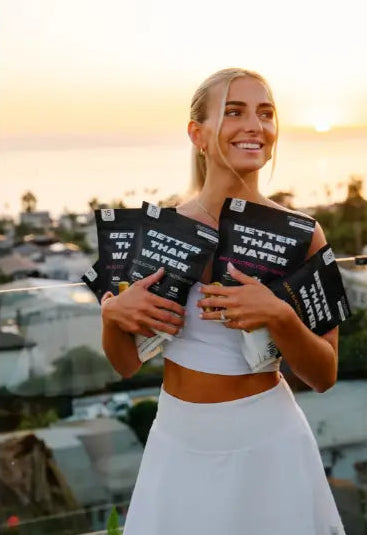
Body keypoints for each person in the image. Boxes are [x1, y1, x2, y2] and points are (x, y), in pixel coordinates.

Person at [99, 68, 346, 535]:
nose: (255, 125)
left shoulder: (304, 235)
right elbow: (126, 364)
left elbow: (325, 375)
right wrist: (112, 315)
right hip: (177, 441)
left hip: (269, 444)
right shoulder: (156, 232)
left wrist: (279, 315)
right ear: (198, 134)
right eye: (234, 111)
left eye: (265, 113)